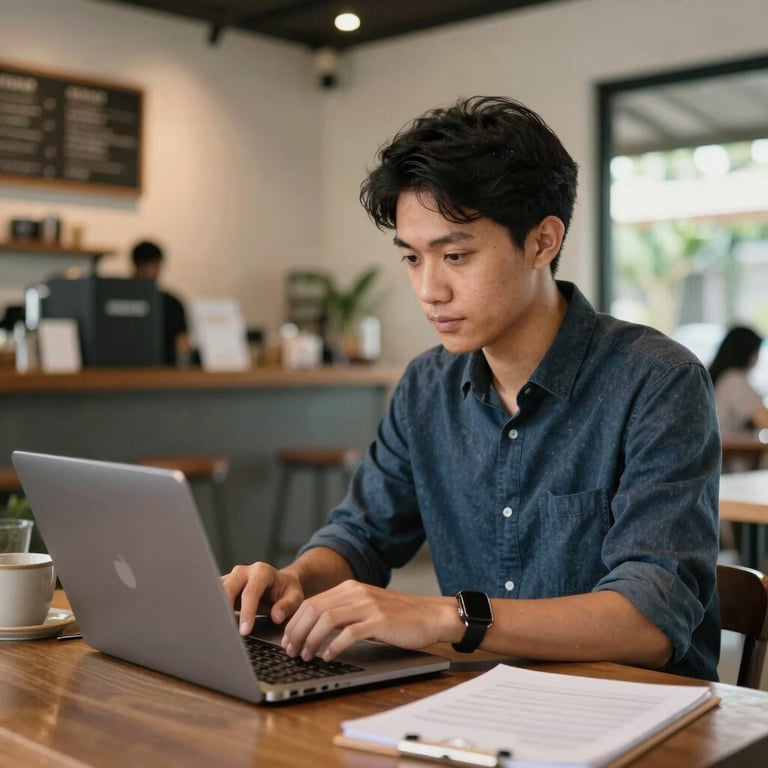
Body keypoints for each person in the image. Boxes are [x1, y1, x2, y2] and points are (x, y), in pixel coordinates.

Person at [222, 96, 721, 680]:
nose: (429, 289)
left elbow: (651, 620)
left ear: (542, 242)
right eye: (412, 258)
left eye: (455, 255)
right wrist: (295, 581)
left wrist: (450, 618)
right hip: (481, 705)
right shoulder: (426, 387)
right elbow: (361, 535)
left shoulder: (658, 382)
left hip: (639, 716)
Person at [130, 240, 189, 366]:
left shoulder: (172, 304)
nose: (150, 271)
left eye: (153, 265)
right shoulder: (120, 300)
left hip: (165, 374)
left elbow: (182, 346)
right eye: (145, 265)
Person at [708, 326, 768, 433]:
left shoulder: (721, 376)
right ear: (749, 354)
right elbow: (764, 419)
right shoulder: (733, 380)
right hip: (728, 448)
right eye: (757, 352)